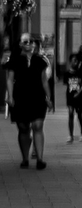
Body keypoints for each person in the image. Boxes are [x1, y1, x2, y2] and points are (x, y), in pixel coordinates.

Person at [5, 33, 52, 169]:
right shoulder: (14, 61)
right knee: (23, 127)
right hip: (21, 96)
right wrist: (10, 96)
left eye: (31, 42)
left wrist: (48, 98)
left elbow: (44, 81)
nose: (29, 44)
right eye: (26, 42)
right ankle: (25, 158)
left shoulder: (40, 60)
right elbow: (9, 79)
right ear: (20, 44)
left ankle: (40, 159)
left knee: (37, 126)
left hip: (37, 96)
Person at [63, 49, 82, 142]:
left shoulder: (81, 73)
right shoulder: (67, 74)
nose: (75, 62)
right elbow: (66, 85)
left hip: (79, 97)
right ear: (70, 62)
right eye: (73, 60)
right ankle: (70, 135)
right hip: (70, 97)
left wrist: (80, 93)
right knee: (70, 114)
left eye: (77, 61)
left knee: (79, 115)